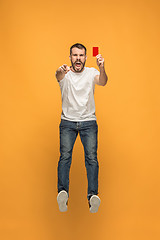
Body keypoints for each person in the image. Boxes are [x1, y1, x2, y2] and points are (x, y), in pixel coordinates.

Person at [55, 43, 108, 213]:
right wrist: (60, 70)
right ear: (70, 57)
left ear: (85, 57)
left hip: (88, 122)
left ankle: (93, 196)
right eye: (75, 55)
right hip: (68, 122)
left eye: (81, 55)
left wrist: (102, 67)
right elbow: (57, 75)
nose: (78, 58)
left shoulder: (92, 72)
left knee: (92, 159)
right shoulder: (65, 73)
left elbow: (103, 82)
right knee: (65, 157)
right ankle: (62, 193)